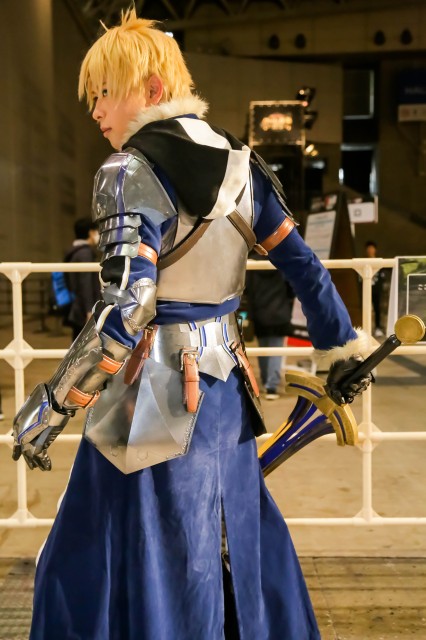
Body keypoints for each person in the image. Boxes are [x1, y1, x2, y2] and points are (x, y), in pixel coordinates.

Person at [12, 10, 372, 640]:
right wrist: (341, 348)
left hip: (148, 399)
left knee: (99, 558)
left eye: (105, 92)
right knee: (223, 541)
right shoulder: (242, 165)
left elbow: (126, 310)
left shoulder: (127, 171)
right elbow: (304, 267)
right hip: (226, 394)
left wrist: (53, 403)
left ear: (152, 88)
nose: (96, 111)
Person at [245, 252, 293, 399]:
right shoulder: (281, 260)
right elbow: (290, 288)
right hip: (280, 311)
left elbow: (247, 290)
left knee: (263, 348)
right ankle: (271, 387)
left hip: (259, 312)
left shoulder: (251, 263)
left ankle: (265, 380)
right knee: (276, 349)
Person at [65, 217, 101, 341]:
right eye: (96, 231)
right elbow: (85, 283)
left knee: (78, 343)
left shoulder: (75, 251)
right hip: (83, 309)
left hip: (77, 305)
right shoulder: (85, 253)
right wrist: (89, 309)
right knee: (83, 345)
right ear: (90, 232)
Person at [365, 240, 385, 337]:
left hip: (377, 290)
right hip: (366, 289)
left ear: (375, 250)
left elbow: (382, 277)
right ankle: (366, 328)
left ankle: (378, 328)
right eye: (368, 248)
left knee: (377, 309)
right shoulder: (364, 262)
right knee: (366, 309)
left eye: (372, 248)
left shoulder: (379, 262)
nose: (370, 250)